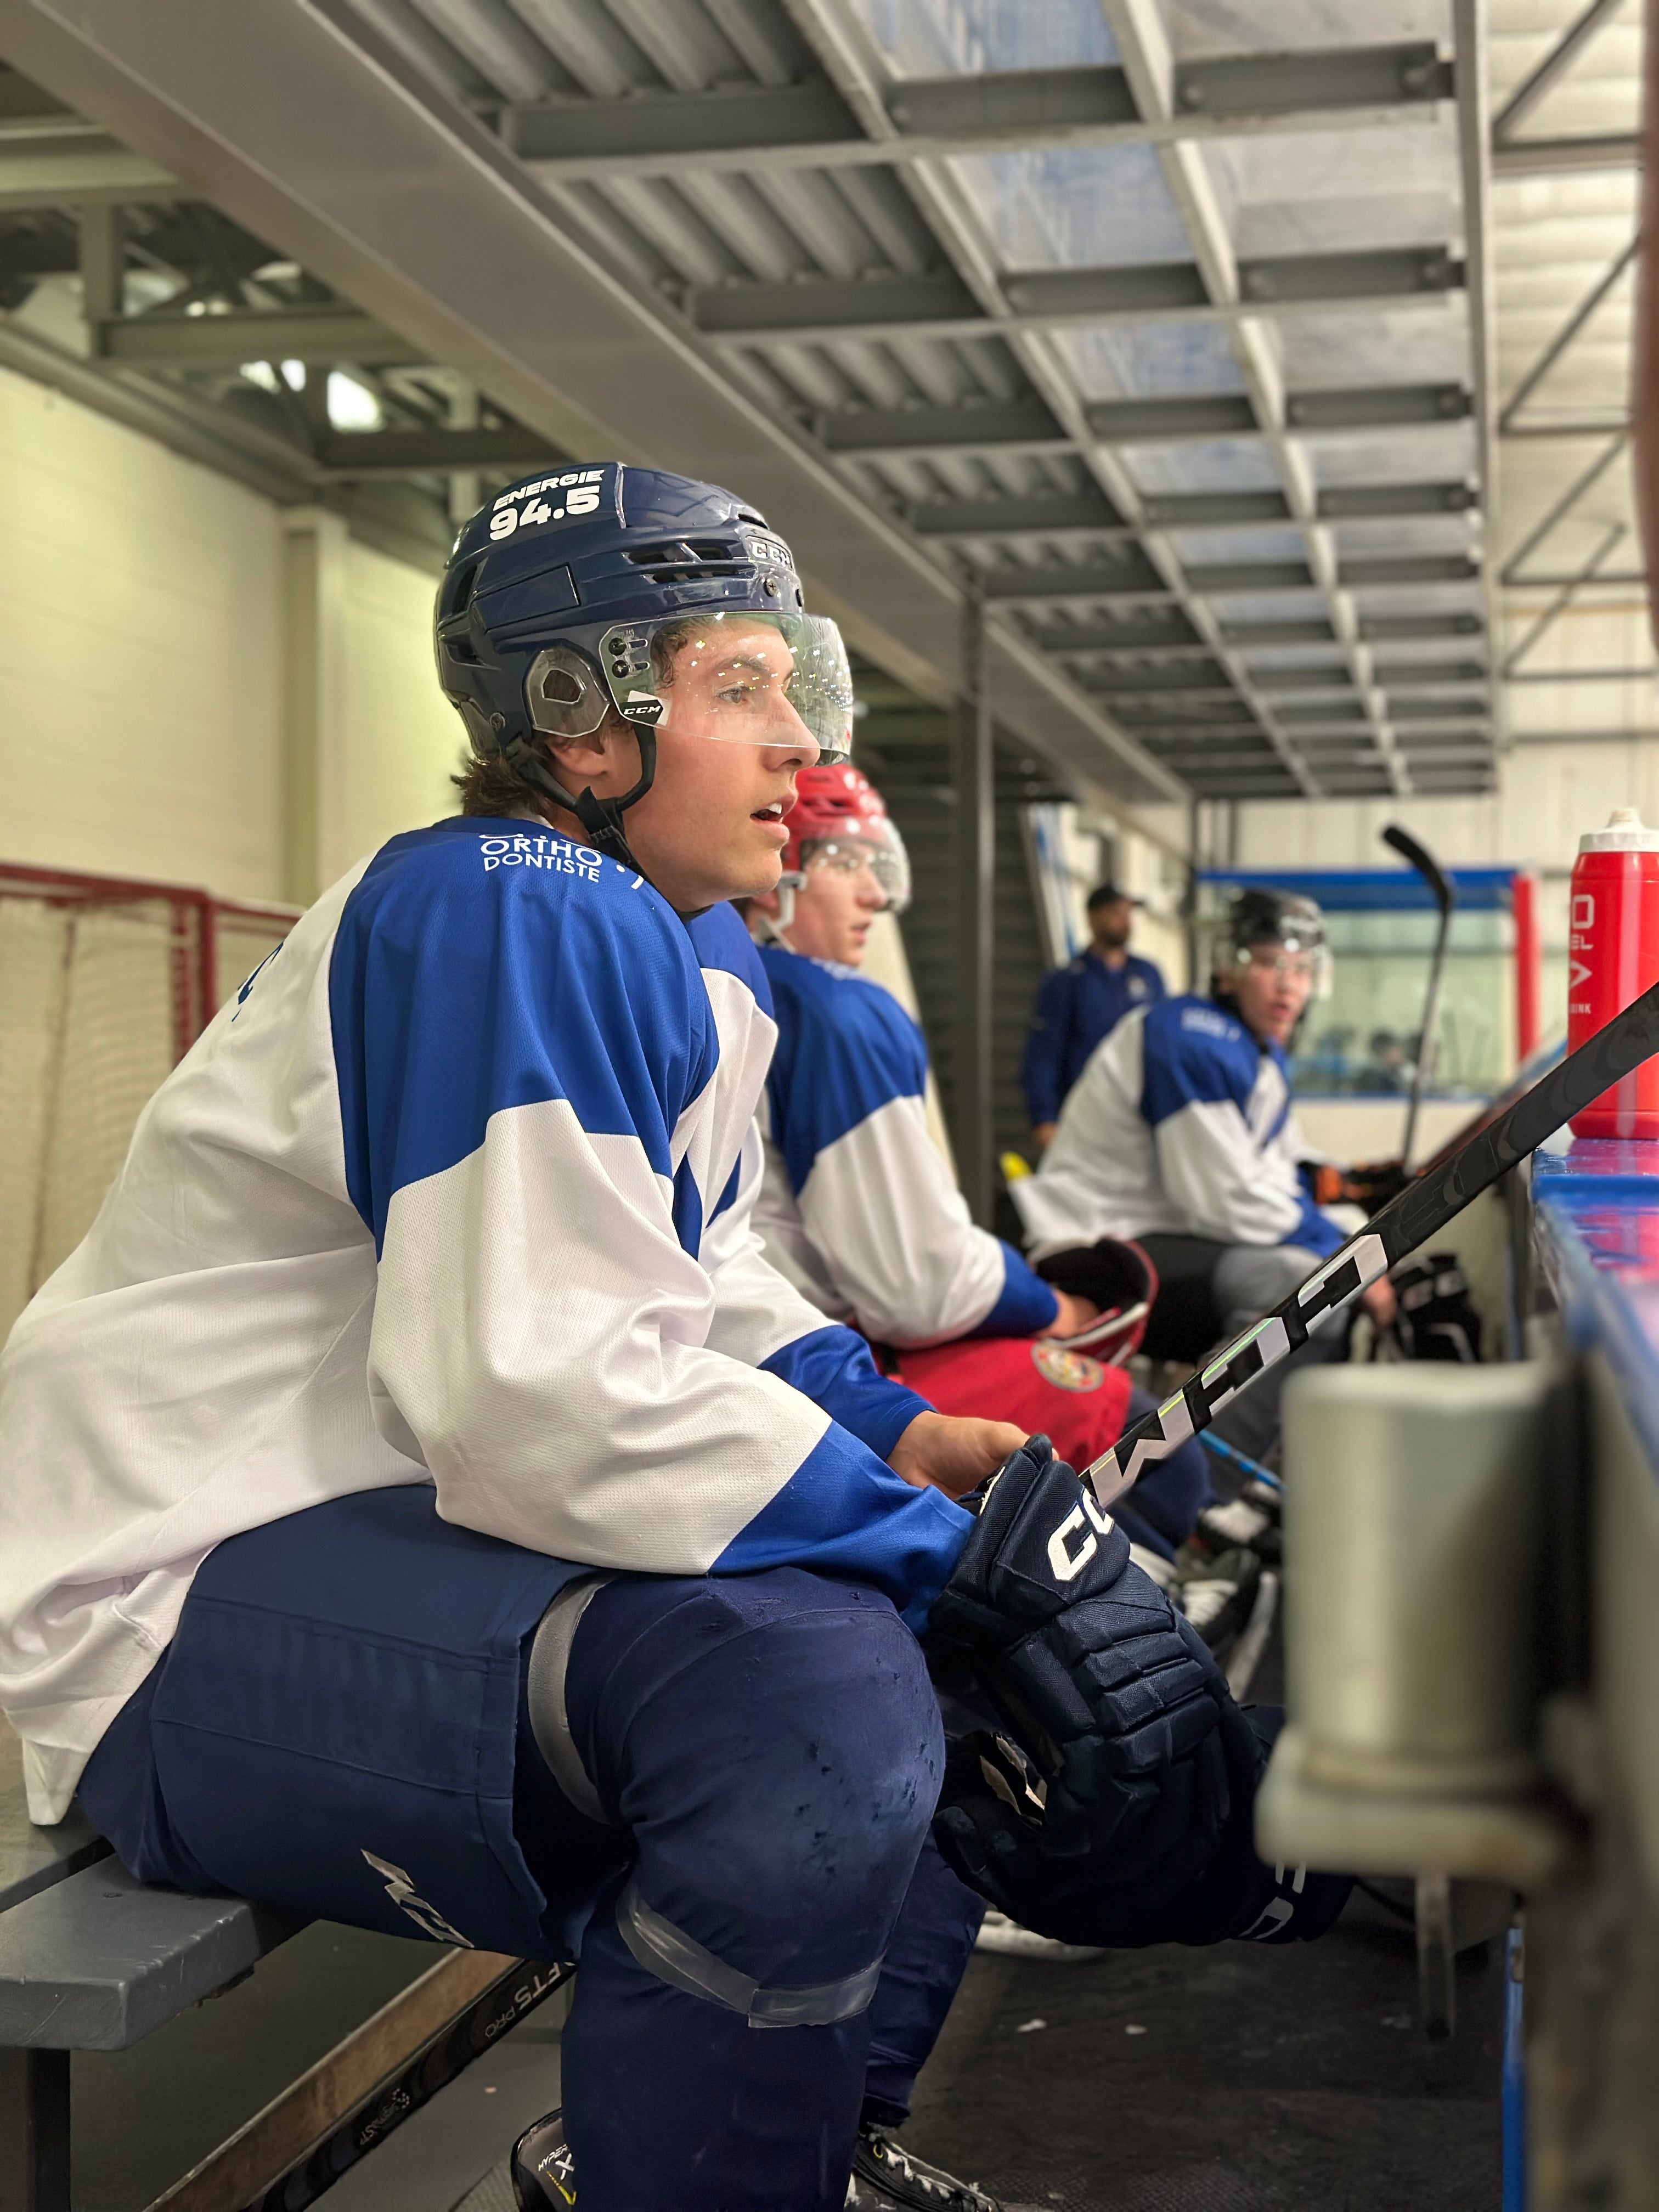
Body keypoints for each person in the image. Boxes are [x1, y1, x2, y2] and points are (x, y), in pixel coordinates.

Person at [0, 470, 1342, 2212]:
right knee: (803, 1699)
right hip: (166, 1587)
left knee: (882, 1667)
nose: (800, 743)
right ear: (581, 720)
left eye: (796, 687)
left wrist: (890, 1435)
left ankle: (775, 2148)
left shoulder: (681, 943)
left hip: (349, 1533)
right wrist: (947, 1553)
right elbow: (532, 1394)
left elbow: (692, 1282)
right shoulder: (504, 905)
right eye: (739, 687)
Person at [746, 764, 1212, 1575]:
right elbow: (915, 1287)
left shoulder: (708, 971)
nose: (875, 897)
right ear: (780, 864)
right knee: (1161, 1453)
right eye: (847, 863)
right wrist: (1050, 1304)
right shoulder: (832, 1007)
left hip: (767, 1353)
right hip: (817, 1366)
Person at [1014, 888, 1398, 1469]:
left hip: (1163, 1236)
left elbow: (1279, 1166)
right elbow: (1227, 1198)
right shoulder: (1189, 1036)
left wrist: (1356, 1211)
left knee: (1326, 1283)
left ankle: (1262, 1475)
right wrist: (1345, 1251)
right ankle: (1193, 1497)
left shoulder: (1256, 1051)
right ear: (1229, 965)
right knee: (1304, 1289)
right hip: (1094, 1245)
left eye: (1301, 968)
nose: (1288, 984)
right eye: (1270, 963)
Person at [1022, 882, 1165, 1148]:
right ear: (1093, 917)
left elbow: (1165, 1046)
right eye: (1116, 913)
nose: (1125, 921)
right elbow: (1043, 1054)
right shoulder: (1067, 982)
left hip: (1141, 1116)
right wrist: (1044, 1118)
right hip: (1084, 1117)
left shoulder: (1148, 975)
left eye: (1128, 914)